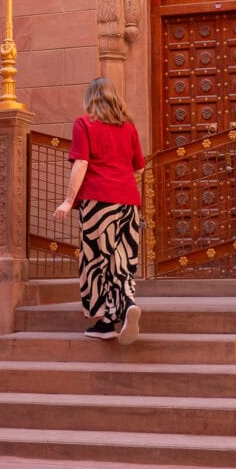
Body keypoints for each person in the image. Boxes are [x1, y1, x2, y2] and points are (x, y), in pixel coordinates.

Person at [54, 76, 145, 344]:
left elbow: (81, 163)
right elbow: (139, 167)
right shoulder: (128, 128)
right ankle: (122, 309)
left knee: (97, 261)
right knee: (121, 260)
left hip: (98, 203)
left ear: (90, 99)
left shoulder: (84, 124)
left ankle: (106, 317)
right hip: (129, 201)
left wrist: (69, 201)